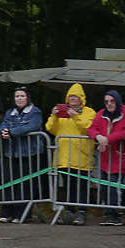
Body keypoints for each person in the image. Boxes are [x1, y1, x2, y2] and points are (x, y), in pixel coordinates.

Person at [46, 83, 96, 224]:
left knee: (81, 185)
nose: (72, 99)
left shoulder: (89, 112)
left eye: (75, 96)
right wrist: (54, 116)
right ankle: (68, 212)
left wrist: (75, 116)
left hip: (82, 156)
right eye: (70, 97)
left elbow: (89, 128)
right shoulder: (62, 113)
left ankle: (81, 212)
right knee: (67, 186)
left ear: (82, 98)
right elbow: (50, 128)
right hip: (64, 157)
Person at [87, 89, 125, 225]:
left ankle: (115, 215)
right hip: (104, 155)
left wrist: (107, 139)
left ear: (118, 101)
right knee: (104, 186)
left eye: (112, 101)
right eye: (106, 101)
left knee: (113, 186)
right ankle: (108, 214)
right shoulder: (101, 113)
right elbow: (91, 128)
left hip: (119, 155)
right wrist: (98, 137)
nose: (109, 104)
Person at [0, 87, 44, 221]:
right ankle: (6, 213)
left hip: (29, 153)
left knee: (25, 185)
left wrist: (12, 132)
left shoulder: (35, 112)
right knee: (9, 183)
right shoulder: (10, 112)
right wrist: (3, 132)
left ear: (27, 97)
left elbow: (32, 126)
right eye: (17, 96)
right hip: (11, 153)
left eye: (22, 96)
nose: (19, 98)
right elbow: (3, 125)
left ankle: (22, 215)